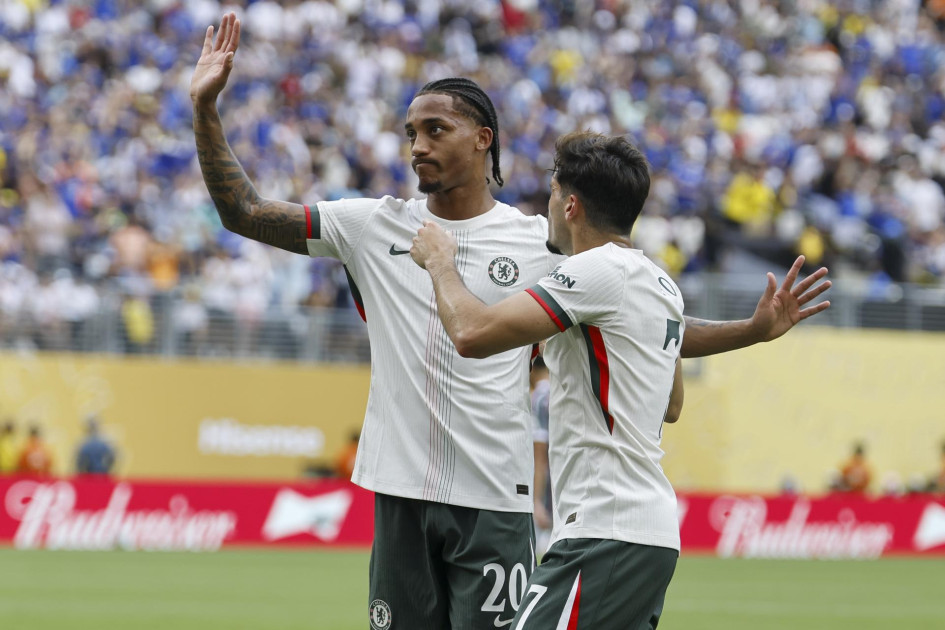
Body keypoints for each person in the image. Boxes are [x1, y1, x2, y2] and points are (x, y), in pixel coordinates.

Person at [191, 14, 832, 628]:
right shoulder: (370, 225)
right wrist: (205, 109)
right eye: (411, 131)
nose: (419, 145)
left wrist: (745, 332)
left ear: (482, 138)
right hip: (399, 491)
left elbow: (636, 329)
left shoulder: (541, 246)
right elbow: (243, 210)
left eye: (436, 129)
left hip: (496, 500)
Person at [411, 131, 691, 628]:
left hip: (606, 530)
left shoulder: (595, 271)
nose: (549, 203)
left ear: (571, 205)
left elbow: (473, 333)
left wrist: (440, 262)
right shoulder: (662, 283)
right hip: (648, 532)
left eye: (554, 192)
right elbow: (670, 404)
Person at [530, 356, 553, 553]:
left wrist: (537, 502)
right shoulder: (561, 389)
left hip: (549, 496)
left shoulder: (539, 397)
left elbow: (540, 458)